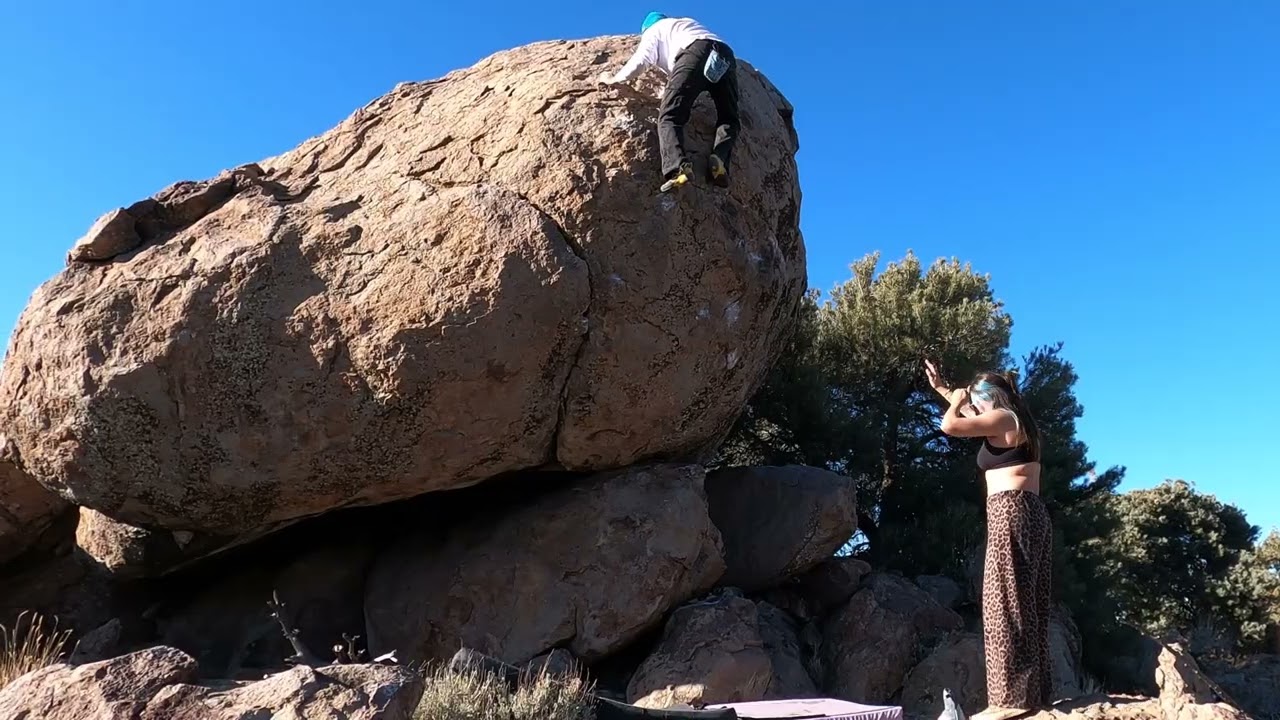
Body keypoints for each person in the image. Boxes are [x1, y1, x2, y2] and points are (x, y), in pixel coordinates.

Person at [925, 360, 1051, 720]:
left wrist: (955, 402)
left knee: (1004, 604)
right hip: (1022, 512)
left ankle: (1012, 699)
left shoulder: (1005, 420)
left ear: (990, 398)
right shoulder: (1012, 419)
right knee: (1024, 603)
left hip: (1012, 510)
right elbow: (965, 407)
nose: (974, 409)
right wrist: (944, 389)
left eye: (978, 402)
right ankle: (1032, 693)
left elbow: (951, 424)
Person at [597, 12, 740, 191]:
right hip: (724, 54)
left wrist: (615, 79)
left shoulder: (653, 31)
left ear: (645, 29)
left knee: (669, 116)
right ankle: (720, 156)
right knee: (730, 118)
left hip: (695, 52)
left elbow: (642, 60)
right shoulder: (684, 23)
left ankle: (678, 168)